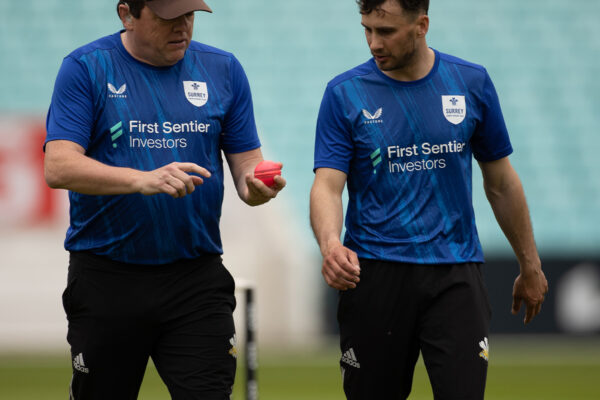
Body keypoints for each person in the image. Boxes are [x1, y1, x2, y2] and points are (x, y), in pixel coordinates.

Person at [44, 0, 285, 398]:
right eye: (168, 18)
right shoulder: (86, 67)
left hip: (196, 278)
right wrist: (142, 180)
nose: (183, 27)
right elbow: (59, 167)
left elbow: (247, 170)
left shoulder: (223, 69)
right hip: (107, 277)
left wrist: (256, 188)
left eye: (189, 16)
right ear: (127, 14)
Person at [309, 1, 548, 399]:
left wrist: (530, 264)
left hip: (455, 274)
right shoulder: (344, 94)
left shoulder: (470, 82)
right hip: (375, 276)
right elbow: (327, 185)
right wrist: (330, 243)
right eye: (366, 29)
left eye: (385, 32)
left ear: (421, 25)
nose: (373, 43)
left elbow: (501, 182)